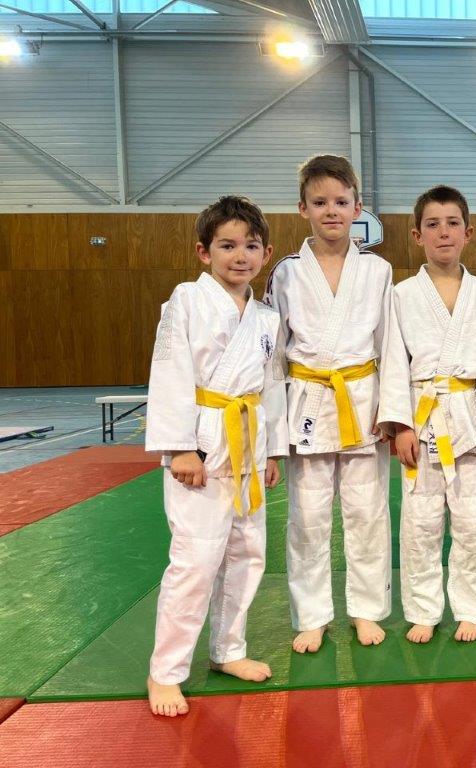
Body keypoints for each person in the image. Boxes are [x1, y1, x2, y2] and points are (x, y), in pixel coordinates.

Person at [146, 196, 287, 717]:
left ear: (266, 253)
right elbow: (170, 372)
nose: (240, 256)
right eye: (227, 246)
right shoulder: (185, 300)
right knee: (195, 561)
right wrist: (180, 447)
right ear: (204, 252)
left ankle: (229, 649)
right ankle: (166, 672)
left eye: (251, 246)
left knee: (248, 554)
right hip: (202, 447)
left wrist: (273, 450)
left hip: (249, 444)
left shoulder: (267, 317)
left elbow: (272, 386)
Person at [263, 155, 393, 652]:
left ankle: (365, 609)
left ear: (358, 208)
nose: (331, 211)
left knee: (367, 513)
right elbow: (274, 357)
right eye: (320, 202)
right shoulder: (286, 273)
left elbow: (389, 344)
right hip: (308, 402)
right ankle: (312, 615)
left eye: (341, 202)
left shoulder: (377, 269)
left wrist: (391, 411)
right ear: (303, 209)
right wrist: (272, 434)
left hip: (363, 400)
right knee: (308, 518)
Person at [378, 185, 476, 644]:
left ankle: (472, 608)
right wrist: (400, 425)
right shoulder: (401, 295)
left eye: (452, 223)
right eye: (432, 224)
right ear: (417, 235)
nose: (443, 232)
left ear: (469, 232)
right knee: (420, 523)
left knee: (472, 521)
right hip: (421, 413)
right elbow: (393, 361)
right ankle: (424, 610)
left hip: (467, 414)